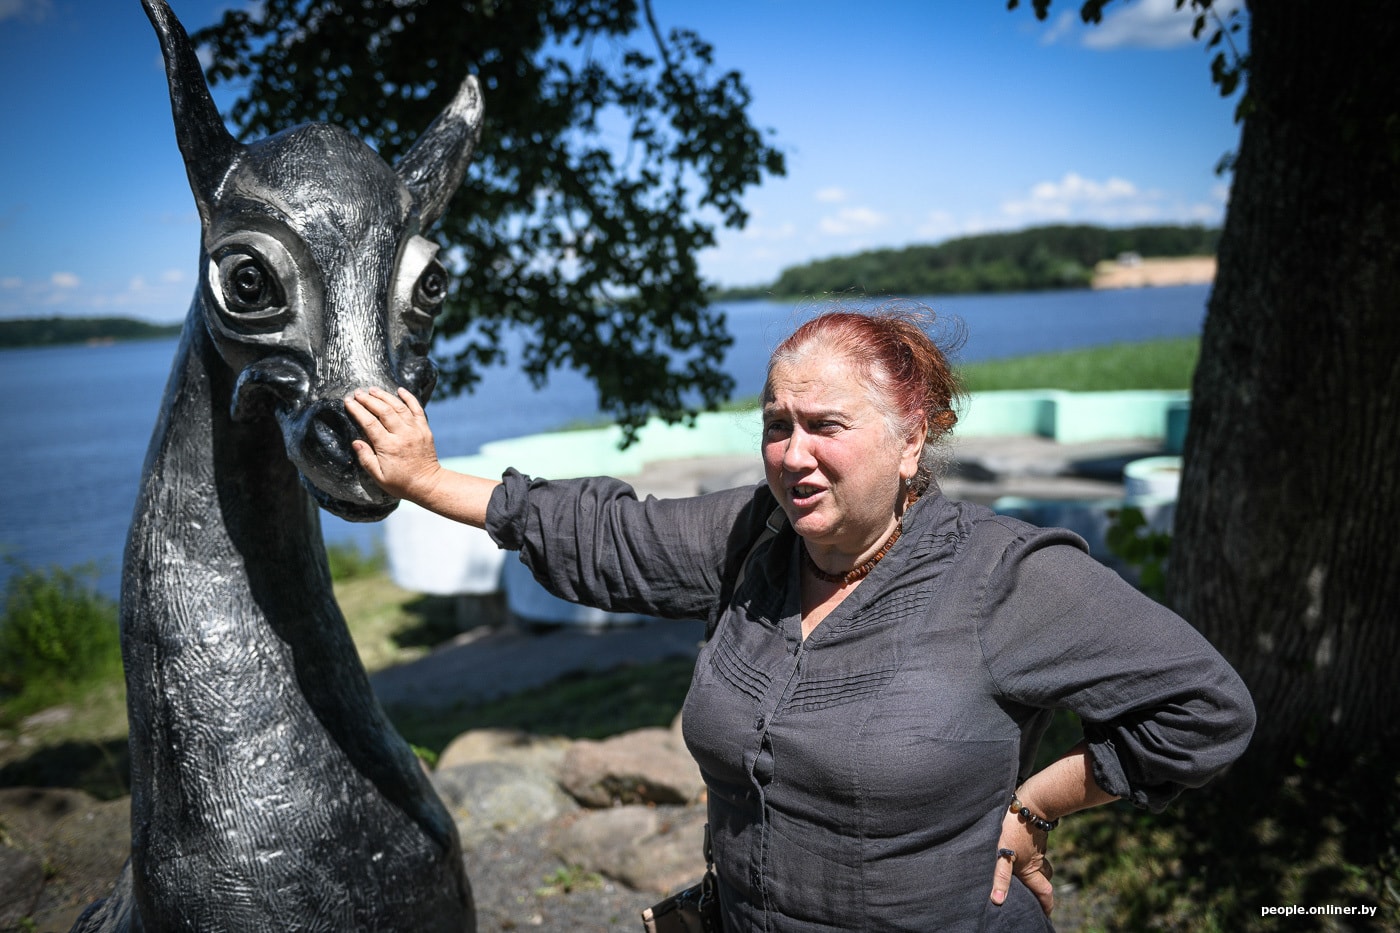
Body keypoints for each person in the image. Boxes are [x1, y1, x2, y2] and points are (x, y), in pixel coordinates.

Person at [346, 305, 1255, 931]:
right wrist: (424, 479)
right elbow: (603, 532)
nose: (793, 454)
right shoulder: (755, 535)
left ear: (912, 440)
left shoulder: (1005, 577)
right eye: (776, 423)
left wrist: (1038, 803)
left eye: (826, 424)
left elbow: (1205, 707)